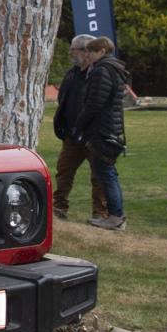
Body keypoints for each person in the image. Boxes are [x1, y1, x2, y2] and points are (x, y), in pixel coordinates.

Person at [74, 36, 129, 231]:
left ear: (102, 52)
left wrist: (79, 125)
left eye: (91, 51)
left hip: (102, 129)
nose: (87, 55)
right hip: (109, 128)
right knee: (107, 173)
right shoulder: (114, 69)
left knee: (106, 173)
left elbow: (94, 104)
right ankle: (115, 215)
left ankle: (116, 216)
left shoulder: (102, 71)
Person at [52, 34, 107, 221]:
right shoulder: (72, 73)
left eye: (73, 49)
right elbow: (63, 101)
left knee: (99, 175)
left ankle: (100, 212)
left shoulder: (98, 74)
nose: (69, 53)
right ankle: (59, 206)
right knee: (64, 171)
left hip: (93, 135)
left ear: (85, 51)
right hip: (72, 135)